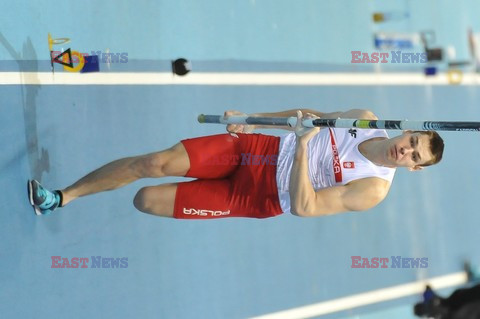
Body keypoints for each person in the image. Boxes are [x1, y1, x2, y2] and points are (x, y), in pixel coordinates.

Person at [28, 109, 444, 219]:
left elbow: (305, 206)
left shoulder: (373, 188)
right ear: (407, 131)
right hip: (256, 150)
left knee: (146, 199)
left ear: (415, 169)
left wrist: (302, 150)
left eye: (414, 156)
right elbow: (310, 113)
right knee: (154, 163)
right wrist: (253, 119)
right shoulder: (366, 120)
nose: (405, 151)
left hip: (258, 195)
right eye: (412, 141)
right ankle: (62, 196)